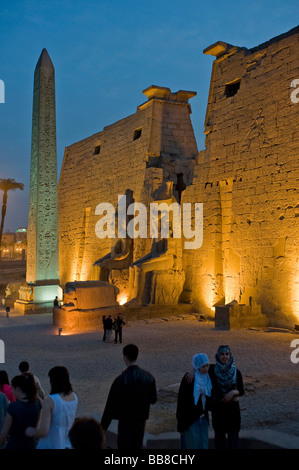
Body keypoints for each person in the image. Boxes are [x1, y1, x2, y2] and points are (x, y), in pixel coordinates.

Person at [101, 343, 157, 449]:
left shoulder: (120, 380)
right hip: (141, 420)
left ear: (125, 358)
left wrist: (103, 428)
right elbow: (153, 399)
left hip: (125, 421)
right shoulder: (149, 377)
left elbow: (110, 405)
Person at [26, 365, 78, 449]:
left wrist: (31, 432)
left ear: (53, 381)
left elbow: (43, 431)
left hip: (50, 444)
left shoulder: (50, 400)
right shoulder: (74, 397)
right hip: (67, 444)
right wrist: (43, 403)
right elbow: (61, 410)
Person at [209, 345, 244, 449]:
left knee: (233, 440)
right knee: (219, 441)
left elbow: (241, 391)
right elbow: (199, 365)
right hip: (218, 412)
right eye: (222, 354)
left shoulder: (236, 372)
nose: (225, 357)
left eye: (227, 354)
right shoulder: (212, 371)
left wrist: (233, 392)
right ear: (218, 356)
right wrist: (192, 370)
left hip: (232, 412)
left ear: (230, 355)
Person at [176, 353, 212, 449]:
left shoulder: (208, 377)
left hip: (203, 419)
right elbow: (182, 401)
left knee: (203, 445)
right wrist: (181, 424)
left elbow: (220, 365)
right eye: (202, 366)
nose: (205, 368)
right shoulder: (189, 379)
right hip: (190, 420)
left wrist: (193, 368)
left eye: (207, 365)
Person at [0, 373, 41, 449]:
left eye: (13, 389)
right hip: (31, 445)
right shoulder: (37, 403)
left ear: (18, 388)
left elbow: (4, 434)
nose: (12, 392)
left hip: (14, 445)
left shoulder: (13, 407)